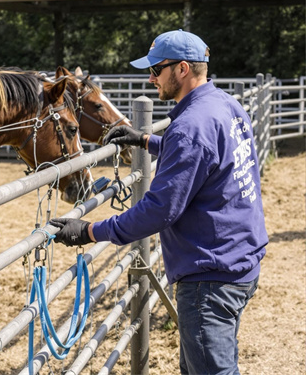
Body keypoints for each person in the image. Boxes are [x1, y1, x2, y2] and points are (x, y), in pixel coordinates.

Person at [49, 29, 268, 375]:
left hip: (210, 275)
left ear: (181, 69)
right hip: (239, 259)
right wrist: (148, 140)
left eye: (156, 69)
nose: (150, 78)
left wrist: (90, 230)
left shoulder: (191, 126)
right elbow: (206, 158)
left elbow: (159, 210)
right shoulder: (225, 105)